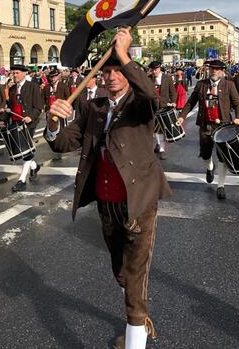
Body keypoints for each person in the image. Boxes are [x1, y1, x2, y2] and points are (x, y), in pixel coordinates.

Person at [45, 29, 171, 349]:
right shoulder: (93, 107)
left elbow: (150, 94)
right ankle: (138, 320)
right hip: (106, 202)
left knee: (136, 275)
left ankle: (135, 337)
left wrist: (124, 53)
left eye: (118, 71)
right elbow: (63, 143)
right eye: (107, 71)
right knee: (121, 272)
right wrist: (53, 123)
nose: (112, 76)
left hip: (138, 201)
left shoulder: (140, 105)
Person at [178, 60, 239, 200]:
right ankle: (209, 168)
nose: (214, 71)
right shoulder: (201, 84)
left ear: (222, 71)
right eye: (212, 69)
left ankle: (221, 186)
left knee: (222, 156)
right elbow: (191, 102)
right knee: (205, 153)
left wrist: (238, 118)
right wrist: (182, 116)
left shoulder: (229, 85)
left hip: (223, 125)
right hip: (205, 124)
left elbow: (238, 104)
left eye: (217, 69)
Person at [0, 65, 43, 192]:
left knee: (26, 151)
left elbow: (39, 106)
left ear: (24, 73)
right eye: (13, 73)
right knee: (22, 149)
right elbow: (10, 107)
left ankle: (22, 180)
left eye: (17, 73)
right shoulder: (12, 88)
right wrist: (3, 120)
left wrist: (31, 117)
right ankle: (34, 166)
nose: (14, 75)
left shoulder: (33, 87)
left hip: (29, 123)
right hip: (16, 122)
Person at [148, 60, 176, 159]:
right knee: (155, 129)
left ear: (159, 68)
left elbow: (172, 92)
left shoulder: (167, 78)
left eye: (155, 69)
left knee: (161, 129)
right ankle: (159, 144)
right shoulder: (148, 78)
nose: (154, 72)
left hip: (164, 106)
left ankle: (162, 149)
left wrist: (173, 102)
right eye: (152, 70)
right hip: (152, 107)